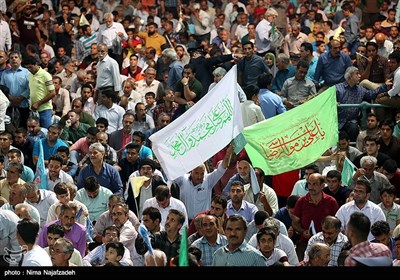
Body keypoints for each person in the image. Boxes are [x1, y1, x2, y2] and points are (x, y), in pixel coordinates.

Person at [173, 144, 233, 221]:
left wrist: (228, 154)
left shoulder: (208, 180)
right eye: (196, 173)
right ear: (191, 171)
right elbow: (171, 170)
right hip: (186, 222)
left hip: (204, 222)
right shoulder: (182, 180)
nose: (199, 176)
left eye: (201, 173)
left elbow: (221, 169)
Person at [291, 173, 339, 261]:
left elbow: (337, 223)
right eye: (309, 183)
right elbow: (295, 223)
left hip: (327, 244)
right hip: (305, 244)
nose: (311, 187)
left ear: (322, 185)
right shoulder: (301, 201)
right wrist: (302, 231)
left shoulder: (331, 201)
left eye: (314, 184)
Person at [335, 66, 390, 142]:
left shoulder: (360, 90)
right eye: (357, 74)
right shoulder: (337, 88)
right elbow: (329, 100)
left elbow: (371, 94)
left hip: (352, 121)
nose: (360, 76)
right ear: (350, 76)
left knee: (354, 128)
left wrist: (384, 86)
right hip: (337, 120)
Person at [24, 55, 56, 129]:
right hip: (33, 109)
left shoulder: (45, 75)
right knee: (33, 132)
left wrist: (38, 103)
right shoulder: (30, 75)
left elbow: (53, 93)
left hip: (45, 109)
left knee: (46, 131)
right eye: (27, 68)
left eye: (30, 67)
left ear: (36, 64)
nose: (29, 69)